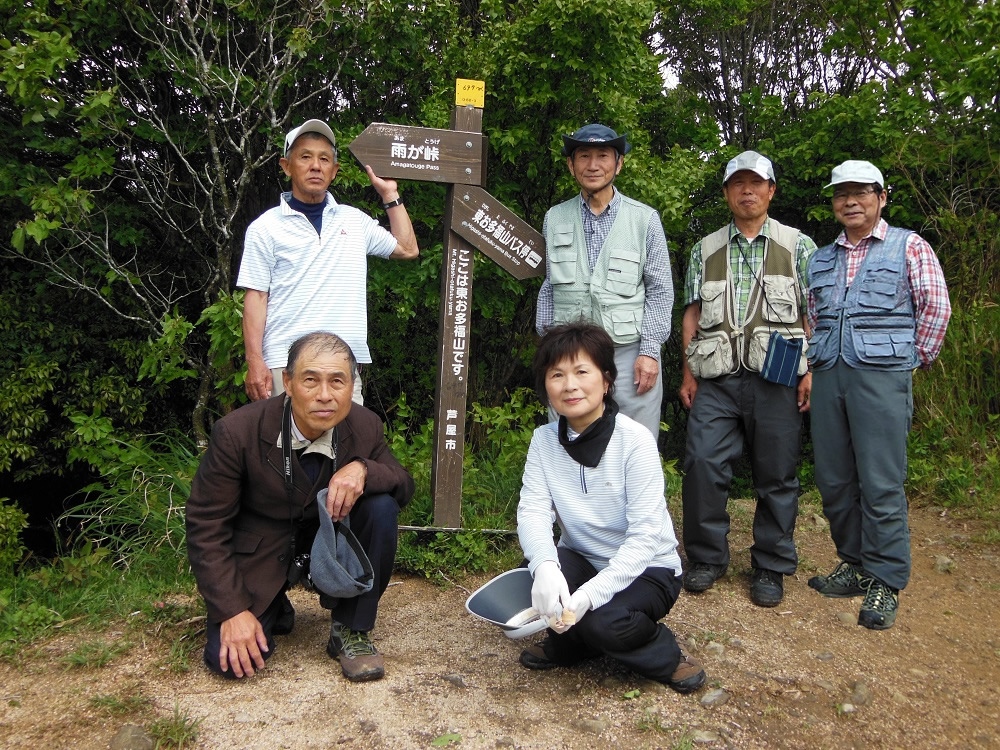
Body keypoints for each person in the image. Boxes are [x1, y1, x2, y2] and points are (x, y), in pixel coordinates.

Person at [186, 332, 415, 682]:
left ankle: (351, 628)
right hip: (263, 549)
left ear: (351, 386)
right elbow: (206, 524)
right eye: (311, 380)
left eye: (337, 381)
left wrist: (365, 470)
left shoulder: (365, 424)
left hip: (327, 543)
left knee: (381, 506)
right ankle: (273, 601)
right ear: (288, 383)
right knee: (228, 662)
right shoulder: (237, 432)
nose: (325, 395)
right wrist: (232, 610)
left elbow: (403, 484)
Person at [516, 322, 705, 694]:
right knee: (532, 585)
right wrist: (545, 566)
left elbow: (645, 538)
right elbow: (533, 511)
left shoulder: (634, 441)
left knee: (604, 621)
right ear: (546, 387)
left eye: (582, 371)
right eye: (557, 375)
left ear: (605, 381)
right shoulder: (543, 442)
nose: (570, 385)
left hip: (648, 568)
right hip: (582, 557)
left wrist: (588, 596)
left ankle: (663, 655)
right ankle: (572, 646)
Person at [805, 160, 951, 630]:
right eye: (841, 193)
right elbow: (813, 316)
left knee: (881, 482)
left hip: (882, 378)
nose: (850, 201)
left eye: (860, 192)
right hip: (829, 374)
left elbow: (935, 307)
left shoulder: (910, 247)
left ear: (881, 197)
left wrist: (911, 361)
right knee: (834, 478)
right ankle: (854, 563)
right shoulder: (821, 259)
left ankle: (886, 579)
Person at [679, 151, 817, 607]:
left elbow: (814, 314)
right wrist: (688, 372)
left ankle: (771, 565)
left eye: (756, 183)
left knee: (777, 473)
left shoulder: (799, 245)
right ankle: (705, 558)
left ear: (771, 190)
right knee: (701, 462)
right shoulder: (704, 248)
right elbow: (693, 313)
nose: (747, 191)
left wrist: (810, 371)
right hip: (715, 377)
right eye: (737, 183)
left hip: (777, 376)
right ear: (726, 193)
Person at [238, 118, 419, 406]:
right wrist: (254, 361)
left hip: (342, 367)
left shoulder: (353, 220)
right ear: (286, 166)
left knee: (347, 449)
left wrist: (390, 194)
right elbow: (256, 296)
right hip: (285, 366)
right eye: (305, 157)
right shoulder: (265, 228)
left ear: (334, 171)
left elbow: (407, 249)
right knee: (286, 449)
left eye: (324, 159)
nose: (315, 166)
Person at [535, 124, 674, 439]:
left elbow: (661, 290)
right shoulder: (554, 217)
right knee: (569, 438)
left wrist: (650, 351)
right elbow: (549, 285)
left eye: (603, 156)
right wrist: (548, 348)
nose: (593, 165)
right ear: (571, 165)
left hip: (629, 352)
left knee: (636, 441)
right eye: (584, 156)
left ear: (619, 163)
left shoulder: (644, 219)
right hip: (568, 351)